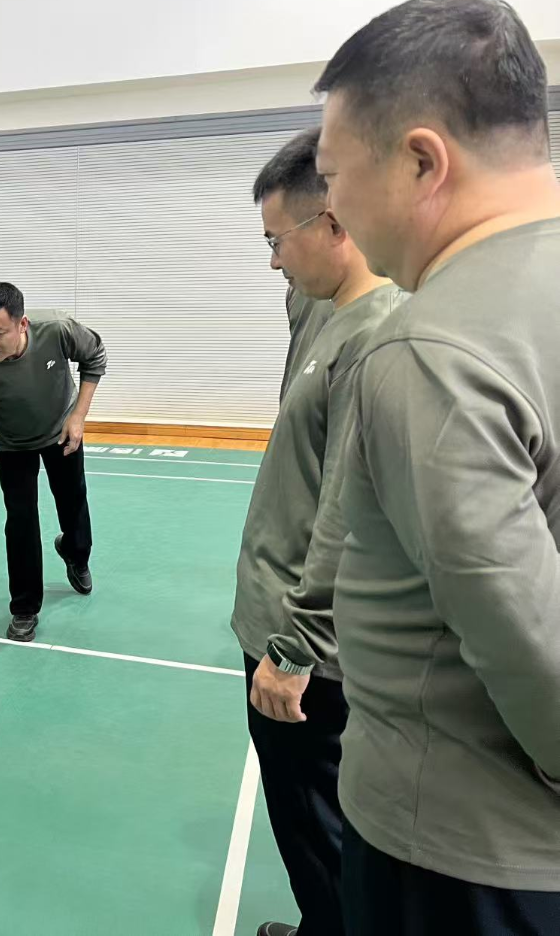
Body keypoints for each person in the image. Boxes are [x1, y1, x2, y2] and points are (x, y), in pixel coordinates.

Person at [312, 0, 560, 933]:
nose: (331, 204)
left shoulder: (433, 349)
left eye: (333, 175)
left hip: (462, 856)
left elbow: (533, 650)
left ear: (422, 161)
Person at [232, 128, 405, 936]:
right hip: (274, 621)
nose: (273, 262)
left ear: (335, 223)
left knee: (317, 822)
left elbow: (349, 512)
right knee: (303, 819)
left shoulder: (376, 337)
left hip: (302, 652)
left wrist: (295, 649)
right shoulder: (323, 307)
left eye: (278, 240)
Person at [0, 282, 106, 643]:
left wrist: (78, 416)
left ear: (22, 324)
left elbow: (95, 356)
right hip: (11, 444)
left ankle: (75, 553)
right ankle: (24, 608)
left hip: (61, 431)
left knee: (73, 502)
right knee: (20, 522)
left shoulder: (57, 330)